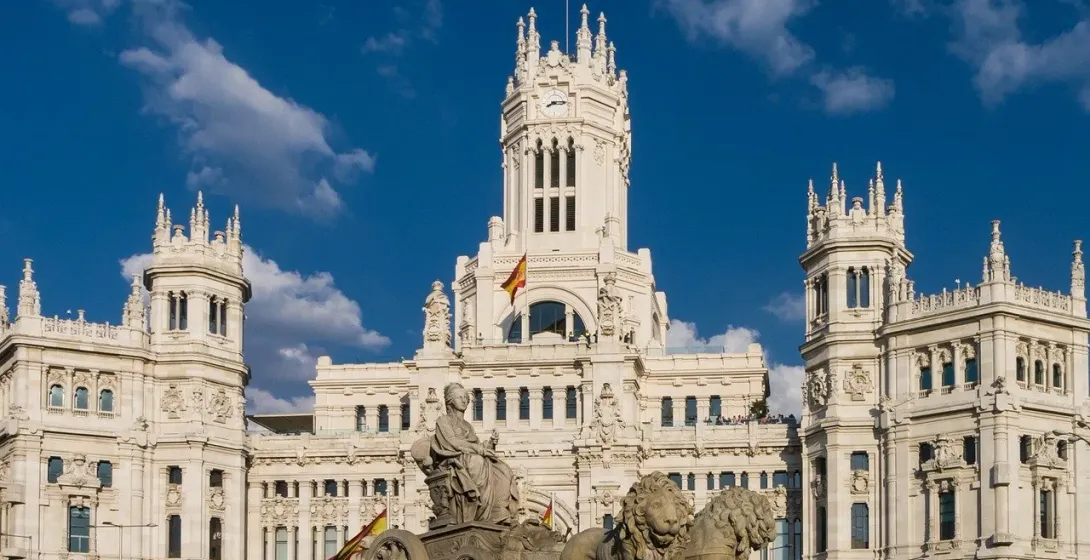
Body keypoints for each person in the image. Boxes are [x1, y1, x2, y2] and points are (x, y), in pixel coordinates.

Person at [431, 383, 520, 525]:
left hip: (471, 456)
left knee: (503, 470)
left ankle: (498, 510)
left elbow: (478, 446)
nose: (464, 400)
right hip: (454, 459)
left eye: (465, 397)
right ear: (450, 401)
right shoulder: (443, 421)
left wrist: (491, 443)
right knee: (477, 462)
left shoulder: (468, 425)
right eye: (459, 397)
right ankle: (481, 513)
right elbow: (452, 442)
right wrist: (480, 450)